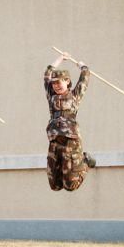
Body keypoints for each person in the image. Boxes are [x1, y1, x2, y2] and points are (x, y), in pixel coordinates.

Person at [44, 52, 96, 191]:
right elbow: (46, 75)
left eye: (59, 82)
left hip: (70, 141)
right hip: (54, 141)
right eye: (54, 83)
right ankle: (69, 170)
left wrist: (83, 66)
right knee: (55, 185)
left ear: (67, 81)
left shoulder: (74, 96)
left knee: (70, 185)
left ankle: (85, 162)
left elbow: (84, 79)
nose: (56, 86)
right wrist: (60, 59)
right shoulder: (51, 97)